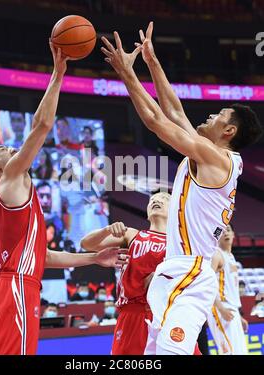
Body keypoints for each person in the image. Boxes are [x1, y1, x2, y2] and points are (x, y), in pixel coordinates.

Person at [101, 22, 263, 354]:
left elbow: (156, 122)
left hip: (190, 271)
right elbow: (174, 111)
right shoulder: (208, 154)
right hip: (175, 269)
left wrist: (126, 74)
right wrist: (152, 60)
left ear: (229, 130)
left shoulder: (217, 158)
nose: (210, 115)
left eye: (218, 114)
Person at [0, 45, 128, 355]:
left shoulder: (17, 191)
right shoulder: (9, 179)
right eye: (4, 151)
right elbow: (43, 126)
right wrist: (58, 74)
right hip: (16, 286)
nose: (13, 150)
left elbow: (43, 255)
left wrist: (93, 259)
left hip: (17, 284)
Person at [81, 193, 200, 355]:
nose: (156, 200)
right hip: (134, 313)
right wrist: (107, 229)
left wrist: (161, 279)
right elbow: (87, 244)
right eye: (152, 200)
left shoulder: (184, 244)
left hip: (170, 314)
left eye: (164, 199)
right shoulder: (132, 234)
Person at [208, 224, 248, 355]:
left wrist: (239, 316)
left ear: (233, 234)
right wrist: (220, 308)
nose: (225, 233)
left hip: (232, 309)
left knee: (240, 351)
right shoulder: (216, 255)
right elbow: (207, 283)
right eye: (222, 231)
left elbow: (230, 289)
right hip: (220, 307)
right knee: (229, 352)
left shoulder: (231, 256)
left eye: (228, 230)